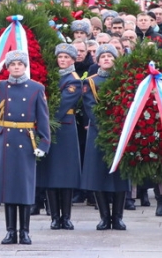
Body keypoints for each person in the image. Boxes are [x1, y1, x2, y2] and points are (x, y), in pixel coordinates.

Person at [0, 50, 51, 245]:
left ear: (25, 66)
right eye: (12, 64)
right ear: (7, 68)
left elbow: (43, 118)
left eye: (19, 64)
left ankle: (24, 231)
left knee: (23, 188)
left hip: (26, 139)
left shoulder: (35, 88)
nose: (16, 67)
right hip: (5, 138)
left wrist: (44, 143)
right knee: (8, 188)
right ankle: (10, 231)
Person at [81, 44, 130, 230]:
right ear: (97, 60)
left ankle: (117, 216)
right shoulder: (91, 82)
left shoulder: (124, 80)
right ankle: (104, 216)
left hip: (120, 131)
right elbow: (91, 107)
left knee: (120, 174)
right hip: (99, 131)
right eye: (103, 56)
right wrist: (106, 125)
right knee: (98, 174)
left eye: (110, 56)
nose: (107, 59)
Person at [37, 44, 82, 230]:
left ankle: (66, 216)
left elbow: (63, 104)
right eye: (60, 57)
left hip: (64, 129)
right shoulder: (52, 77)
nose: (62, 60)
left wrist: (44, 120)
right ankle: (55, 216)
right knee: (50, 173)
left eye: (66, 57)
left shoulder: (74, 80)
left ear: (73, 60)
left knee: (65, 175)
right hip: (49, 128)